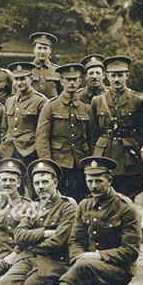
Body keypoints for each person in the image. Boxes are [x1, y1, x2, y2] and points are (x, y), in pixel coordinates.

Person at [23, 156, 141, 285]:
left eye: (98, 181)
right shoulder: (84, 206)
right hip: (85, 268)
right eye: (89, 181)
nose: (93, 186)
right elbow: (75, 241)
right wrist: (79, 257)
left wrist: (96, 256)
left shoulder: (125, 208)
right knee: (77, 282)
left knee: (80, 270)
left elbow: (131, 251)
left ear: (109, 180)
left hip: (118, 271)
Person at [35, 63, 97, 201]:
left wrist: (90, 164)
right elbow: (42, 138)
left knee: (81, 200)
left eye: (75, 80)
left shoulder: (86, 108)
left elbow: (92, 138)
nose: (72, 83)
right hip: (59, 163)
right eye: (68, 80)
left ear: (80, 81)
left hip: (80, 163)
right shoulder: (51, 106)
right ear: (61, 81)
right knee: (58, 200)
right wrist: (48, 165)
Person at [90, 56, 143, 200]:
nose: (117, 79)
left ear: (127, 75)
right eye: (113, 75)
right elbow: (92, 132)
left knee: (128, 198)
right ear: (107, 76)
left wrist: (132, 147)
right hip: (104, 155)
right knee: (103, 195)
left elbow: (142, 131)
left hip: (127, 158)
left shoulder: (137, 101)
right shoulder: (98, 101)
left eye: (120, 75)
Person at [0, 62, 47, 167]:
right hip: (9, 151)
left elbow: (43, 132)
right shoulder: (10, 100)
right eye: (16, 79)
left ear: (31, 78)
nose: (19, 83)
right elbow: (4, 128)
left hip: (29, 152)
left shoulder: (40, 101)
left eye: (23, 79)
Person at [29, 32, 61, 99]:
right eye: (39, 48)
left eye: (45, 48)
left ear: (50, 50)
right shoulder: (27, 70)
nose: (42, 52)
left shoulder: (58, 71)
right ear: (34, 49)